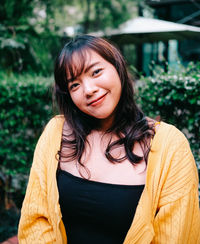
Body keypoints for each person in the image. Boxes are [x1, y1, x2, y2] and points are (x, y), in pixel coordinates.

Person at [18, 35, 200, 244]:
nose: (88, 90)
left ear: (118, 67)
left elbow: (177, 235)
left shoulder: (170, 145)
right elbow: (35, 219)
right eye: (74, 85)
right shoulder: (56, 133)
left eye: (96, 72)